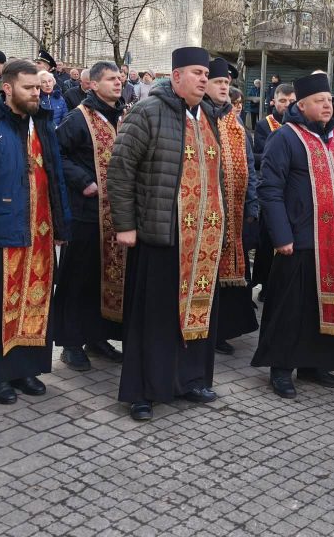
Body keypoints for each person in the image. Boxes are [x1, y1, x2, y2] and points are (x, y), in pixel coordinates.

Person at [108, 46, 225, 421]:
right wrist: (125, 225)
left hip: (201, 240)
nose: (204, 79)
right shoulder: (148, 111)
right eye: (196, 73)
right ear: (175, 77)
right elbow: (121, 169)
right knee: (154, 318)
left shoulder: (206, 115)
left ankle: (189, 379)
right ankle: (143, 391)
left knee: (196, 312)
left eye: (206, 74)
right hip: (161, 235)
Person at [253, 73, 334, 398]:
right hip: (299, 240)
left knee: (322, 306)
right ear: (301, 105)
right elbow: (270, 189)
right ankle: (281, 368)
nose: (327, 106)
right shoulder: (285, 138)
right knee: (290, 308)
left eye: (330, 100)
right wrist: (281, 236)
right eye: (320, 101)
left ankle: (314, 363)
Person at [0, 59, 71, 404]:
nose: (37, 93)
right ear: (8, 88)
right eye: (29, 88)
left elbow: (55, 175)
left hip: (40, 231)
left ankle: (25, 368)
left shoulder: (42, 122)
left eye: (39, 86)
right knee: (0, 304)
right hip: (4, 230)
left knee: (36, 300)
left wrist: (61, 222)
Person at [52, 61, 126, 371]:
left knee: (105, 277)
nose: (118, 83)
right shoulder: (78, 118)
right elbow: (56, 154)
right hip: (85, 214)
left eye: (120, 78)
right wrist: (84, 180)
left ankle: (97, 336)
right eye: (110, 79)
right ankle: (71, 343)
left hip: (116, 214)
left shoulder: (124, 114)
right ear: (93, 84)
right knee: (78, 278)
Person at [205, 59, 259, 356]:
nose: (224, 87)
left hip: (235, 211)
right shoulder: (199, 115)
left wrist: (252, 202)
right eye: (218, 82)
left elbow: (248, 165)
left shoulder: (234, 121)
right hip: (203, 212)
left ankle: (221, 330)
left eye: (227, 83)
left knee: (230, 271)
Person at [251, 82, 295, 302]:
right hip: (271, 189)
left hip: (292, 193)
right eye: (283, 101)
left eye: (291, 101)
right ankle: (266, 286)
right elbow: (258, 156)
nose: (287, 105)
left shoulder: (299, 126)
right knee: (268, 242)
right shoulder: (264, 125)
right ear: (273, 102)